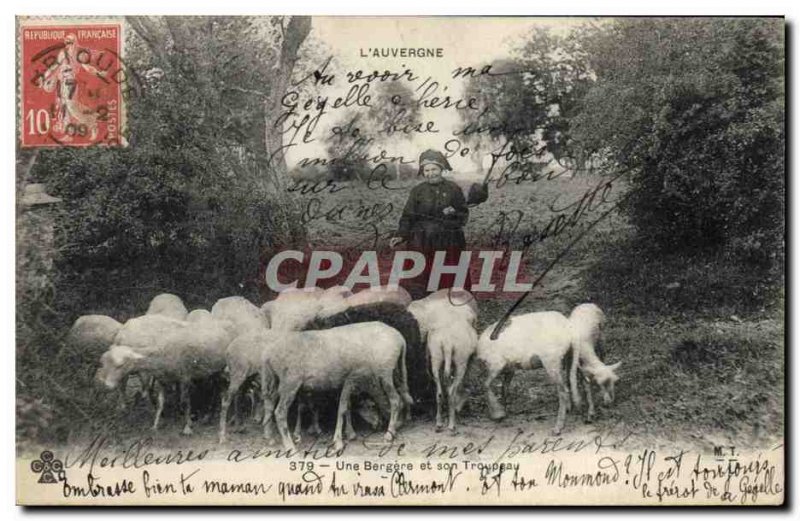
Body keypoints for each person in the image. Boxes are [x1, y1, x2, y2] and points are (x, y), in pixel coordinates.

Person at [389, 149, 488, 299]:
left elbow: (463, 213)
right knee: (422, 277)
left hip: (448, 240)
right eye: (426, 170)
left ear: (441, 169)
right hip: (421, 241)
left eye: (434, 169)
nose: (430, 173)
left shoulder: (453, 189)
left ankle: (454, 302)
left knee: (449, 274)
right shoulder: (417, 191)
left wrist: (453, 212)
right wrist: (401, 235)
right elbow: (408, 216)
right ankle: (420, 304)